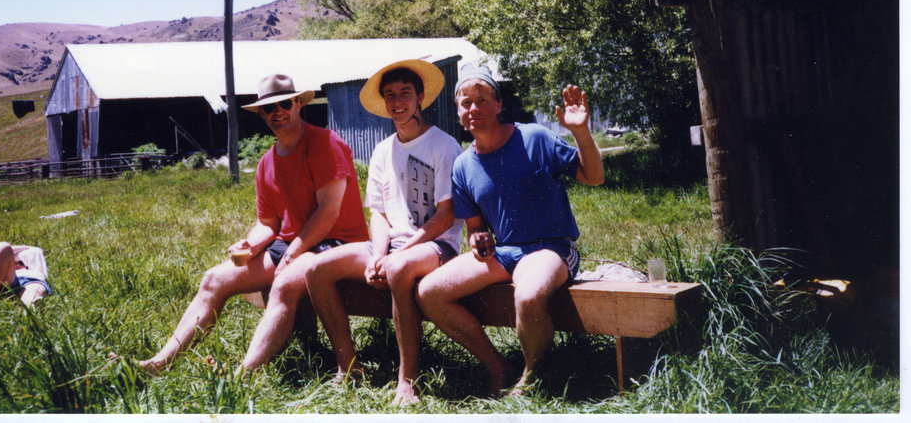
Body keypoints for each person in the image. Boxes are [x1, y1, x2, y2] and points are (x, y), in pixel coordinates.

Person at [116, 73, 369, 375]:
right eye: (269, 108)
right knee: (214, 279)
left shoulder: (325, 143)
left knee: (284, 283)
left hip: (337, 243)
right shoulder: (267, 162)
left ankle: (243, 377)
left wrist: (292, 254)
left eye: (285, 104)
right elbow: (268, 223)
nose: (278, 112)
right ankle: (160, 363)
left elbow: (328, 213)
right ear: (261, 114)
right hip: (293, 244)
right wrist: (251, 244)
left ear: (298, 104)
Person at [415, 64, 605, 397]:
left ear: (499, 105)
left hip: (551, 248)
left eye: (482, 100)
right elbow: (475, 228)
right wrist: (478, 239)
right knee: (430, 292)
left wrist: (581, 132)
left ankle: (532, 377)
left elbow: (594, 177)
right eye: (465, 103)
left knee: (528, 296)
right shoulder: (463, 165)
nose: (473, 109)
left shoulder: (534, 137)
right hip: (505, 253)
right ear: (458, 112)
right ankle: (497, 366)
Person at [304, 60, 464, 405]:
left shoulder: (444, 144)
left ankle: (407, 382)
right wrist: (378, 255)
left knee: (397, 268)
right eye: (390, 95)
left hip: (437, 245)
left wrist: (397, 255)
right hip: (391, 247)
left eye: (405, 93)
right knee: (316, 268)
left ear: (421, 97)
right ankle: (349, 367)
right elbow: (377, 212)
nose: (397, 102)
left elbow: (446, 215)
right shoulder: (382, 150)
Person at [0, 242, 53, 307]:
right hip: (9, 279)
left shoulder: (34, 260)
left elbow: (38, 250)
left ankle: (31, 306)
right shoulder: (9, 260)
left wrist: (28, 248)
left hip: (31, 281)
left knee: (33, 289)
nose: (16, 265)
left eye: (20, 263)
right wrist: (25, 247)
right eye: (14, 263)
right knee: (3, 246)